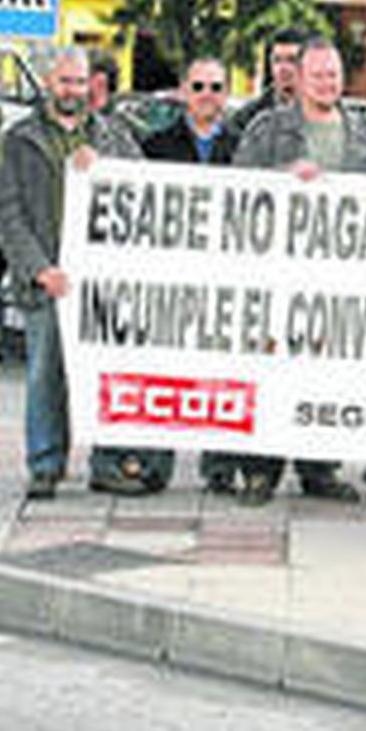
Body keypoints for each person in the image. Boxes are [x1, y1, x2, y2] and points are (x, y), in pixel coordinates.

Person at [0, 47, 144, 500]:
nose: (74, 91)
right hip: (48, 283)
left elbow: (143, 185)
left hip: (101, 283)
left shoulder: (112, 136)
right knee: (45, 376)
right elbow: (7, 212)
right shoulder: (20, 139)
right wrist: (39, 269)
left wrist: (106, 167)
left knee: (104, 374)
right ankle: (45, 465)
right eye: (65, 82)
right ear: (47, 82)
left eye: (80, 82)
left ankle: (107, 464)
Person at [231, 37, 366, 505]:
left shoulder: (364, 133)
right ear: (298, 78)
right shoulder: (267, 128)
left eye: (333, 74)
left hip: (338, 280)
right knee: (272, 372)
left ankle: (320, 469)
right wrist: (281, 176)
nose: (327, 83)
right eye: (318, 75)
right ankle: (260, 471)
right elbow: (234, 187)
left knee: (325, 378)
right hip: (279, 276)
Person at [140, 57, 241, 493]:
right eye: (198, 86)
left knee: (219, 373)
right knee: (166, 370)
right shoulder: (155, 145)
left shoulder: (241, 148)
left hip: (223, 279)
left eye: (216, 87)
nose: (206, 95)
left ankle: (218, 466)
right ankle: (157, 463)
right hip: (170, 276)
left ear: (226, 93)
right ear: (183, 91)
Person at [227, 28, 305, 137]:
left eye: (292, 60)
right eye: (277, 60)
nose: (283, 68)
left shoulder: (327, 114)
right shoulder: (247, 118)